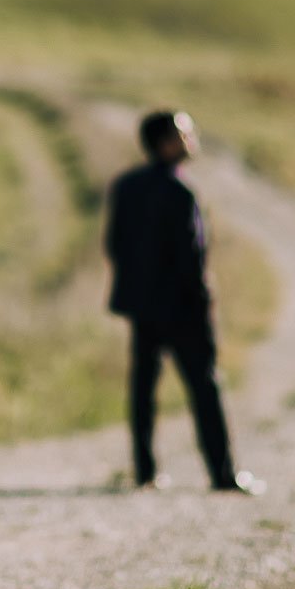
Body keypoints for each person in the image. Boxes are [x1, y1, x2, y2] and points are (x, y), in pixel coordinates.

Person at [103, 111, 260, 495]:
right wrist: (204, 302)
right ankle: (222, 474)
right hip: (184, 308)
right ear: (164, 142)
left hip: (143, 307)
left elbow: (114, 245)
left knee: (144, 389)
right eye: (183, 134)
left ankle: (145, 472)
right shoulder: (182, 191)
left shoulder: (127, 185)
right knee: (205, 389)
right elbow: (194, 256)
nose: (191, 140)